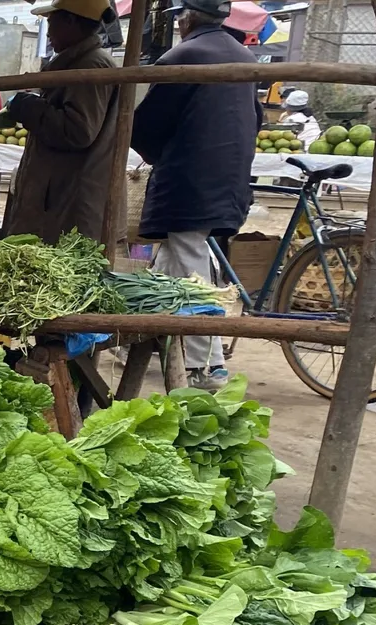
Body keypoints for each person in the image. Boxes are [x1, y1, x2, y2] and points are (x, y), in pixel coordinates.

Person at [132, 0, 258, 391]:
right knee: (174, 257)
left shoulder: (183, 54)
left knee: (188, 260)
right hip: (230, 176)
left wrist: (156, 155)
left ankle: (205, 363)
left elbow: (147, 125)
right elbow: (256, 118)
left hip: (191, 179)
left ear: (186, 19)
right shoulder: (243, 54)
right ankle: (138, 332)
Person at [0, 0, 119, 245]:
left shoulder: (91, 65)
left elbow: (77, 131)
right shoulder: (78, 62)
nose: (49, 31)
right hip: (59, 194)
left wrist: (28, 107)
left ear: (71, 21)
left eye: (52, 21)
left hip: (69, 199)